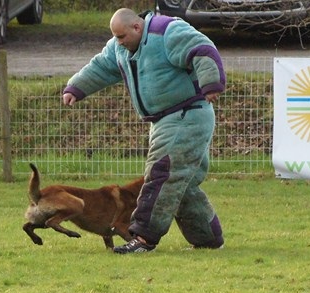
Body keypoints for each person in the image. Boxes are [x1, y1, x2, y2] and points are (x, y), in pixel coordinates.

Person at [62, 8, 226, 254]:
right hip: (163, 121)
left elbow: (201, 49)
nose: (118, 42)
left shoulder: (167, 31)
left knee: (162, 174)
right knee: (182, 184)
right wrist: (76, 87)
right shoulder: (119, 47)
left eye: (121, 37)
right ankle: (208, 240)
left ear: (137, 28)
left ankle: (143, 238)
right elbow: (101, 67)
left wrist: (211, 82)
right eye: (115, 37)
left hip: (187, 114)